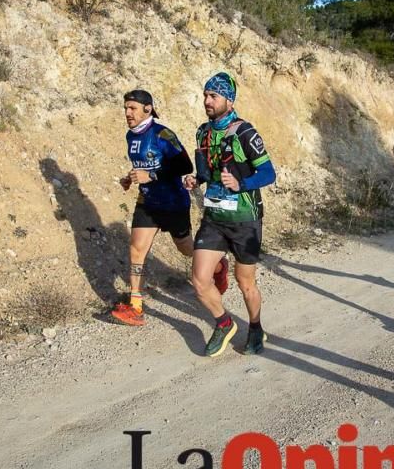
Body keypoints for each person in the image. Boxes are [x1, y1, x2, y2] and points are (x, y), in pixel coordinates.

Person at [110, 90, 229, 326]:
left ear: (147, 109)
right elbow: (142, 166)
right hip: (148, 202)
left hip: (173, 202)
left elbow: (184, 165)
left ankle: (217, 265)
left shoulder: (162, 134)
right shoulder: (130, 136)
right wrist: (130, 177)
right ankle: (135, 306)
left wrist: (151, 175)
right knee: (136, 249)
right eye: (125, 108)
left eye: (132, 108)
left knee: (185, 248)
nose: (127, 113)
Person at [183, 72, 277, 356]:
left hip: (245, 219)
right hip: (214, 218)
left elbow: (269, 173)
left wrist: (241, 184)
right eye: (205, 95)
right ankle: (224, 323)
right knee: (199, 280)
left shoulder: (245, 132)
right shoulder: (203, 132)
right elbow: (205, 171)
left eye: (213, 96)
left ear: (229, 99)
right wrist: (195, 180)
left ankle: (256, 327)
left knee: (245, 282)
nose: (207, 101)